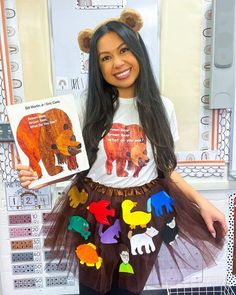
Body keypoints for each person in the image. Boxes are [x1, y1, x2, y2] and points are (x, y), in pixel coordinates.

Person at [17, 9, 228, 295]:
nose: (117, 63)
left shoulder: (162, 108)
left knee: (130, 288)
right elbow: (71, 165)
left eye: (123, 50)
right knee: (92, 287)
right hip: (94, 212)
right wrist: (38, 174)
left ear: (138, 50)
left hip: (142, 213)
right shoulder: (83, 107)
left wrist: (202, 202)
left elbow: (166, 169)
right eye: (105, 57)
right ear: (97, 66)